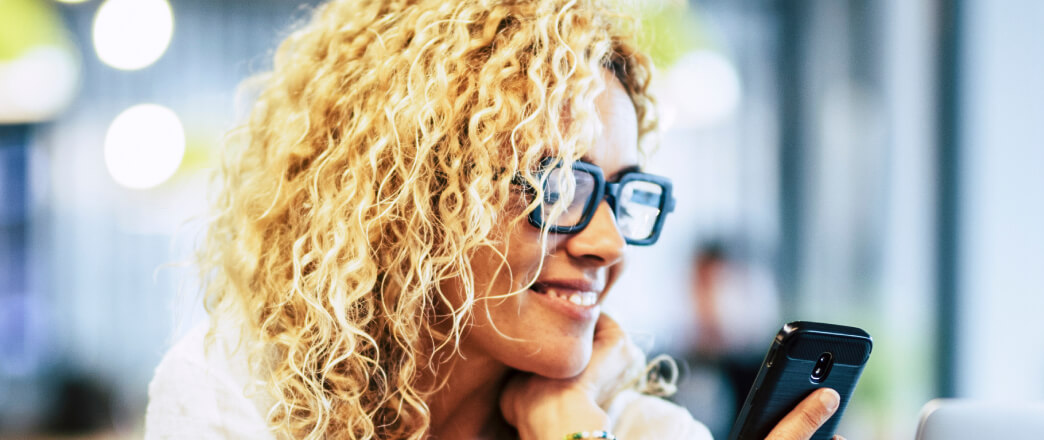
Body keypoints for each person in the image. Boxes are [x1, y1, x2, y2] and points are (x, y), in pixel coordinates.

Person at [144, 0, 843, 438]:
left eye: (623, 194)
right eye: (559, 185)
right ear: (412, 195)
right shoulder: (239, 391)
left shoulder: (626, 425)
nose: (606, 245)